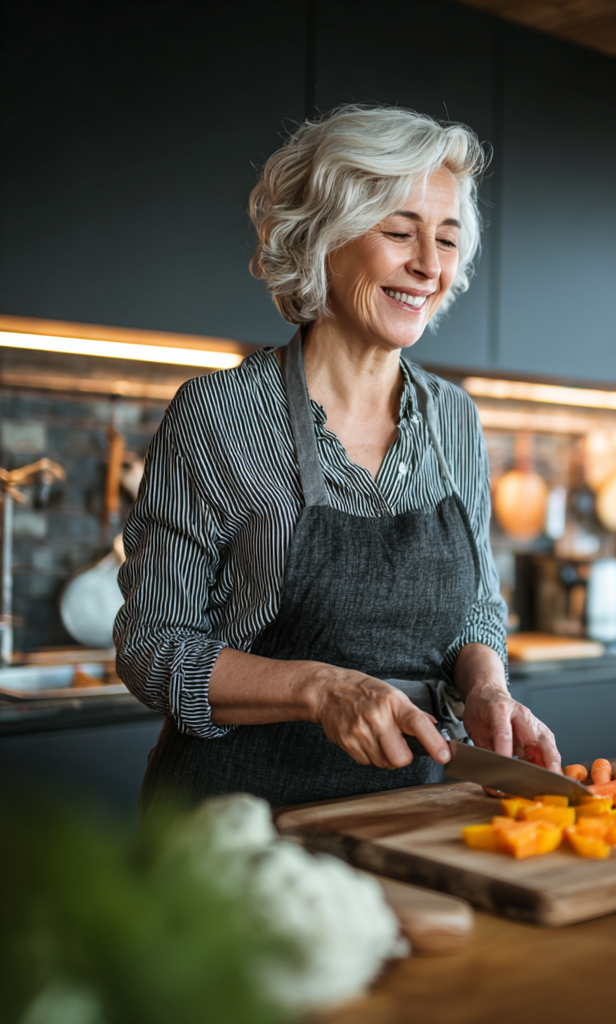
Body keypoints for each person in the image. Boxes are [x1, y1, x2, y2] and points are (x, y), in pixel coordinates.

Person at [115, 105, 560, 809]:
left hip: (408, 813)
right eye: (399, 232)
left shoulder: (453, 419)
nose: (429, 265)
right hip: (238, 822)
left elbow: (476, 611)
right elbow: (153, 646)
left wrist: (487, 689)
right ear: (323, 238)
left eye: (447, 239)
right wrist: (319, 688)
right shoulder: (219, 414)